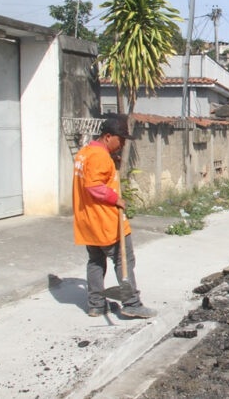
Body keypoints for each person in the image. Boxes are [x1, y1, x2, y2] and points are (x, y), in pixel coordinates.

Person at [73, 114, 156, 318]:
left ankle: (96, 304)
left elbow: (91, 177)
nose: (122, 144)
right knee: (124, 260)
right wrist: (115, 198)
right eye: (121, 139)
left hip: (88, 220)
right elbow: (93, 185)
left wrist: (112, 163)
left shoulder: (85, 153)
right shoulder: (100, 157)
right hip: (106, 221)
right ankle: (131, 303)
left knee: (95, 262)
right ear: (108, 136)